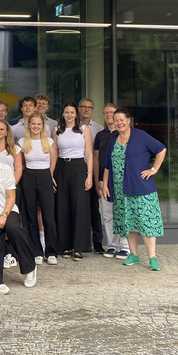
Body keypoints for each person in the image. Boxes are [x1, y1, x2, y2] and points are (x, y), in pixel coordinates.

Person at [102, 109, 167, 271]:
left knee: (146, 222)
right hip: (120, 189)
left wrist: (154, 169)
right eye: (116, 120)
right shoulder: (112, 140)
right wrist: (105, 184)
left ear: (128, 121)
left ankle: (152, 257)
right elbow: (108, 165)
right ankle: (134, 254)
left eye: (122, 119)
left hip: (141, 187)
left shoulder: (141, 136)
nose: (119, 123)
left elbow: (161, 150)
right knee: (128, 222)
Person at [0, 139, 38, 293]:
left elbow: (11, 197)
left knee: (14, 228)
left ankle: (29, 267)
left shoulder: (5, 169)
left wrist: (4, 215)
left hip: (7, 208)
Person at [52, 102, 93, 261]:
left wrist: (89, 175)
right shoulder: (57, 130)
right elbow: (54, 153)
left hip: (79, 167)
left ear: (76, 114)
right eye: (66, 112)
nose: (69, 115)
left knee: (79, 207)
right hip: (62, 167)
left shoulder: (84, 129)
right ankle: (65, 245)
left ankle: (78, 247)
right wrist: (51, 174)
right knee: (62, 207)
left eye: (72, 112)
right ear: (62, 114)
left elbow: (89, 153)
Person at [19, 113, 59, 266]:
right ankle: (36, 251)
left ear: (43, 126)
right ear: (29, 125)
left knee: (48, 216)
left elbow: (53, 163)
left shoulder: (49, 142)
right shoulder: (22, 142)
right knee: (30, 215)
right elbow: (21, 163)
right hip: (29, 176)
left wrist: (50, 176)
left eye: (38, 124)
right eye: (33, 124)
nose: (36, 126)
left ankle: (51, 252)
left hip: (44, 176)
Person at [94, 103, 130, 259]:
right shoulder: (100, 135)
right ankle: (112, 245)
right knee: (108, 214)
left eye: (112, 112)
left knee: (123, 213)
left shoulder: (125, 134)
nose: (109, 115)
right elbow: (96, 159)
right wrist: (97, 180)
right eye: (106, 113)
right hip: (104, 180)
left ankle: (125, 246)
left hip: (123, 180)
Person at [0, 119, 23, 270]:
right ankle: (3, 253)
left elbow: (18, 168)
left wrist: (10, 185)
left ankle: (13, 253)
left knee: (12, 222)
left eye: (1, 129)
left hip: (11, 189)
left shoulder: (14, 149)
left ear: (6, 132)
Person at [78, 98, 105, 254]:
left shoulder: (99, 129)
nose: (86, 109)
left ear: (93, 110)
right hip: (76, 170)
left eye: (89, 107)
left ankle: (97, 242)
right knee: (78, 208)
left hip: (92, 171)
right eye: (84, 107)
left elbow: (96, 155)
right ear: (79, 108)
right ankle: (80, 242)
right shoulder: (72, 127)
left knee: (94, 209)